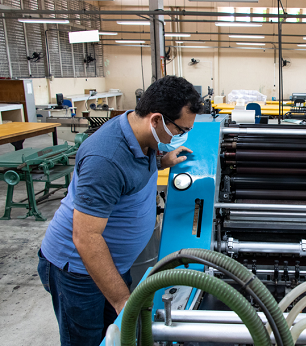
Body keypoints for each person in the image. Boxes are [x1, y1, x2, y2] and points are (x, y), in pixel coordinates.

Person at [37, 76, 203, 346]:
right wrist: (122, 300)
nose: (184, 135)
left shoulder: (141, 134)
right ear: (157, 119)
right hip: (80, 271)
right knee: (88, 340)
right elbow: (86, 237)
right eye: (181, 129)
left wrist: (162, 161)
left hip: (113, 264)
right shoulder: (105, 159)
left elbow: (131, 172)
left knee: (114, 335)